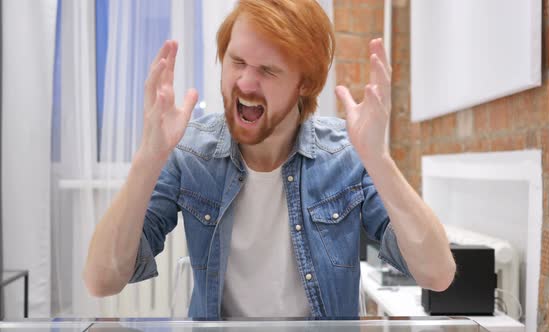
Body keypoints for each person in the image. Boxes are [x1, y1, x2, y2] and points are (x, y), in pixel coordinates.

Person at [83, 0, 455, 319]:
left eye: (267, 70)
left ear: (304, 84)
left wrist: (379, 159)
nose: (245, 83)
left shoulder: (345, 154)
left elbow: (437, 274)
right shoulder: (191, 152)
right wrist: (147, 159)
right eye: (237, 61)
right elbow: (102, 281)